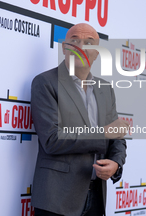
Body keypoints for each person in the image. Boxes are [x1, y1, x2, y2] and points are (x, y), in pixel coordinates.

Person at [30, 23, 129, 216]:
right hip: (57, 199)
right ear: (64, 48)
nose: (80, 47)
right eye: (74, 41)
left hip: (96, 196)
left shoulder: (105, 88)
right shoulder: (45, 83)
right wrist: (103, 133)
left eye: (88, 42)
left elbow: (116, 137)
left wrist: (116, 163)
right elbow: (51, 140)